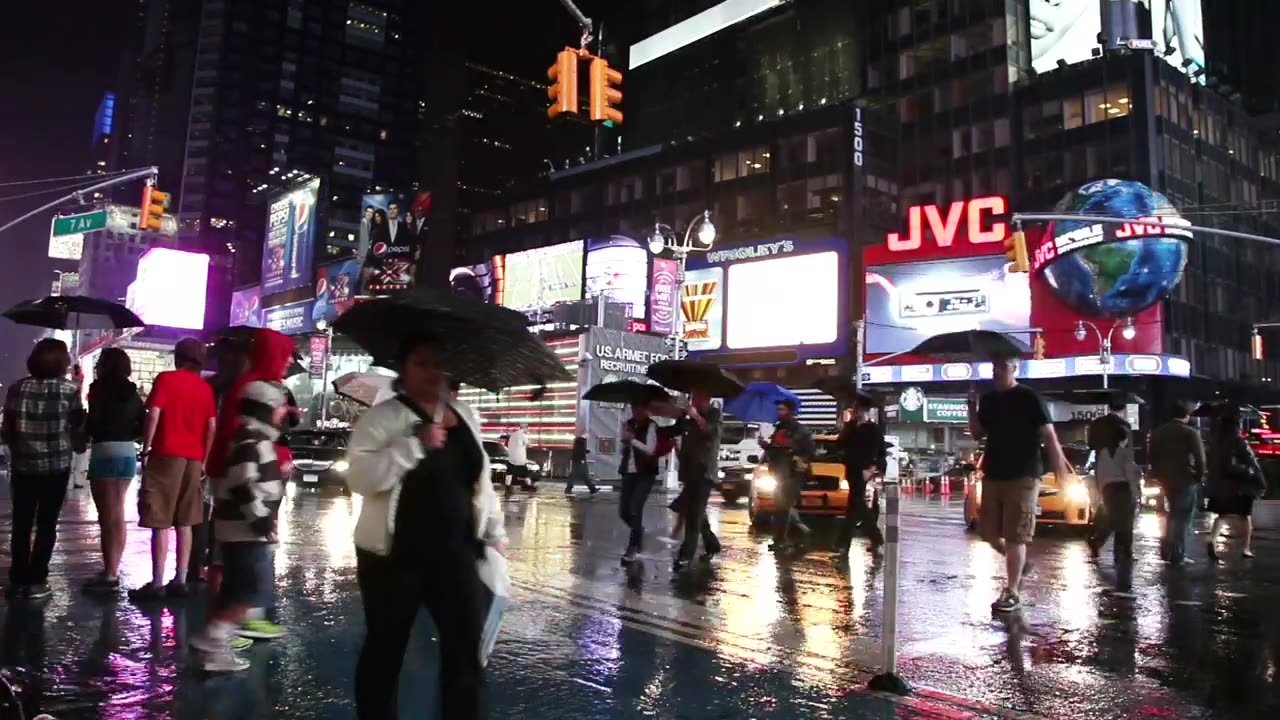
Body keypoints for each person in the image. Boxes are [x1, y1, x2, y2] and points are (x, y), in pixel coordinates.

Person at [347, 334, 505, 720]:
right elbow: (361, 480)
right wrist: (413, 445)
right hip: (393, 558)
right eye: (422, 363)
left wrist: (495, 531)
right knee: (386, 649)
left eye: (438, 363)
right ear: (403, 369)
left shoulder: (465, 414)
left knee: (466, 651)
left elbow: (480, 480)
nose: (432, 371)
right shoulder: (382, 418)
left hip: (456, 554)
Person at [190, 328, 294, 672]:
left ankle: (222, 633)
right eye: (286, 355)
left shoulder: (253, 413)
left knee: (242, 580)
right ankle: (219, 631)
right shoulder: (251, 432)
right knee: (245, 583)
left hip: (244, 518)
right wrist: (260, 516)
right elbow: (242, 478)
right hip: (244, 521)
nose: (289, 361)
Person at [968, 354, 1068, 613]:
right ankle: (1020, 565)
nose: (996, 371)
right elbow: (979, 433)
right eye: (993, 367)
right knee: (987, 532)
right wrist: (971, 408)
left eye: (1001, 366)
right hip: (994, 473)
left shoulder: (1029, 397)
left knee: (1015, 535)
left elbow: (1049, 433)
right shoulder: (988, 400)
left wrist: (1059, 465)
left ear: (1014, 369)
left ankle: (1012, 590)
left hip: (1023, 474)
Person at [130, 338, 217, 602]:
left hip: (166, 454)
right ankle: (180, 580)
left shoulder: (166, 379)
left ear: (178, 357)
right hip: (193, 458)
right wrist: (204, 459)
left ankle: (156, 583)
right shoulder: (205, 388)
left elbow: (154, 413)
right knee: (185, 520)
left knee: (159, 519)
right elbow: (211, 426)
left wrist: (146, 449)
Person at [1, 339, 84, 600]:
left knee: (22, 523)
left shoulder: (17, 388)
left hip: (24, 466)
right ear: (62, 363)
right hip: (56, 467)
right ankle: (37, 580)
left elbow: (7, 431)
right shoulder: (69, 390)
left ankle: (18, 579)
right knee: (47, 524)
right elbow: (78, 428)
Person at [82, 348, 146, 594]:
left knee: (107, 517)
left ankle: (109, 575)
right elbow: (143, 423)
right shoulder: (133, 392)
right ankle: (112, 569)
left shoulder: (98, 388)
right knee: (117, 513)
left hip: (104, 451)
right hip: (127, 453)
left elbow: (94, 424)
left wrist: (85, 422)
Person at [1150, 402, 1206, 564]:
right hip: (1186, 478)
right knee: (1182, 517)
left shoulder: (1158, 433)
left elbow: (1152, 456)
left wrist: (1157, 474)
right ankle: (1178, 554)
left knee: (1172, 515)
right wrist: (1199, 476)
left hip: (1165, 479)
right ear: (1186, 416)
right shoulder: (1190, 432)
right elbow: (1200, 458)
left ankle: (1167, 549)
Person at [673, 390, 723, 572]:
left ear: (706, 398)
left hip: (704, 473)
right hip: (689, 472)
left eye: (697, 398)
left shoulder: (714, 414)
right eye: (692, 398)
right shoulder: (690, 419)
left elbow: (710, 432)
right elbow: (676, 430)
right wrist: (680, 415)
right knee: (695, 512)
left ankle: (685, 555)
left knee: (693, 515)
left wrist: (695, 416)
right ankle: (712, 544)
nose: (693, 401)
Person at [1205, 413, 1266, 561]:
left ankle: (1212, 539)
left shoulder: (1215, 442)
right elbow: (1249, 463)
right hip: (1239, 486)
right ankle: (1245, 548)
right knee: (1245, 517)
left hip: (1219, 486)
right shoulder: (1239, 442)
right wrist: (1257, 478)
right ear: (1237, 425)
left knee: (1222, 515)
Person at [762, 399, 814, 552]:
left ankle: (784, 539)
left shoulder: (799, 430)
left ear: (790, 411)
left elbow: (809, 450)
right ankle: (788, 537)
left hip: (792, 473)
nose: (779, 412)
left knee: (783, 507)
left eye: (782, 409)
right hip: (778, 473)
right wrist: (766, 446)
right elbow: (774, 453)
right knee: (780, 507)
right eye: (778, 409)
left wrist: (791, 447)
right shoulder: (778, 428)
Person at [835, 401, 886, 558]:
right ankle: (874, 540)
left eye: (861, 410)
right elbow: (839, 445)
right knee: (855, 507)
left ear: (867, 411)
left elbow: (881, 453)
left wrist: (872, 469)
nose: (858, 413)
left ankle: (844, 545)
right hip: (851, 470)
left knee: (856, 504)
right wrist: (843, 430)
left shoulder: (873, 429)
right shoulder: (850, 427)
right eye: (856, 410)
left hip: (864, 471)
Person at [1087, 431, 1141, 565]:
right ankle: (1125, 552)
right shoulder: (1125, 453)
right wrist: (1135, 492)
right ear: (1123, 440)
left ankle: (1097, 540)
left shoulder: (1103, 454)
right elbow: (1130, 474)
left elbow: (1099, 473)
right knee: (1126, 522)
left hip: (1108, 489)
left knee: (1111, 519)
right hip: (1124, 489)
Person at [618, 404, 659, 562]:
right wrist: (624, 439)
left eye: (639, 408)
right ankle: (638, 531)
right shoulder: (628, 424)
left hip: (645, 473)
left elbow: (650, 450)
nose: (636, 411)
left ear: (646, 409)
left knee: (635, 508)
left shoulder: (651, 426)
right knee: (624, 512)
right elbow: (624, 447)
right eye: (634, 408)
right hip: (628, 473)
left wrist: (632, 440)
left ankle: (633, 547)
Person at [505, 423, 529, 497]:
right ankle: (528, 486)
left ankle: (507, 488)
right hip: (519, 459)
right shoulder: (522, 435)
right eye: (527, 428)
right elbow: (527, 444)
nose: (527, 430)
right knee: (525, 473)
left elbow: (507, 444)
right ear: (524, 428)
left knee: (509, 473)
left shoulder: (513, 435)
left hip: (511, 458)